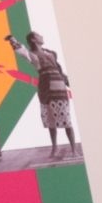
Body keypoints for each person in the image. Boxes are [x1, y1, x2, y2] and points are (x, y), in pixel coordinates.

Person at [19, 30, 79, 160]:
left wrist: (67, 80)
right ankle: (55, 148)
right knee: (51, 118)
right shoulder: (32, 55)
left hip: (59, 85)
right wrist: (13, 41)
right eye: (38, 35)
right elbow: (22, 51)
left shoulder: (51, 53)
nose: (41, 36)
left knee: (66, 117)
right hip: (46, 86)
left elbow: (59, 68)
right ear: (33, 40)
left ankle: (74, 149)